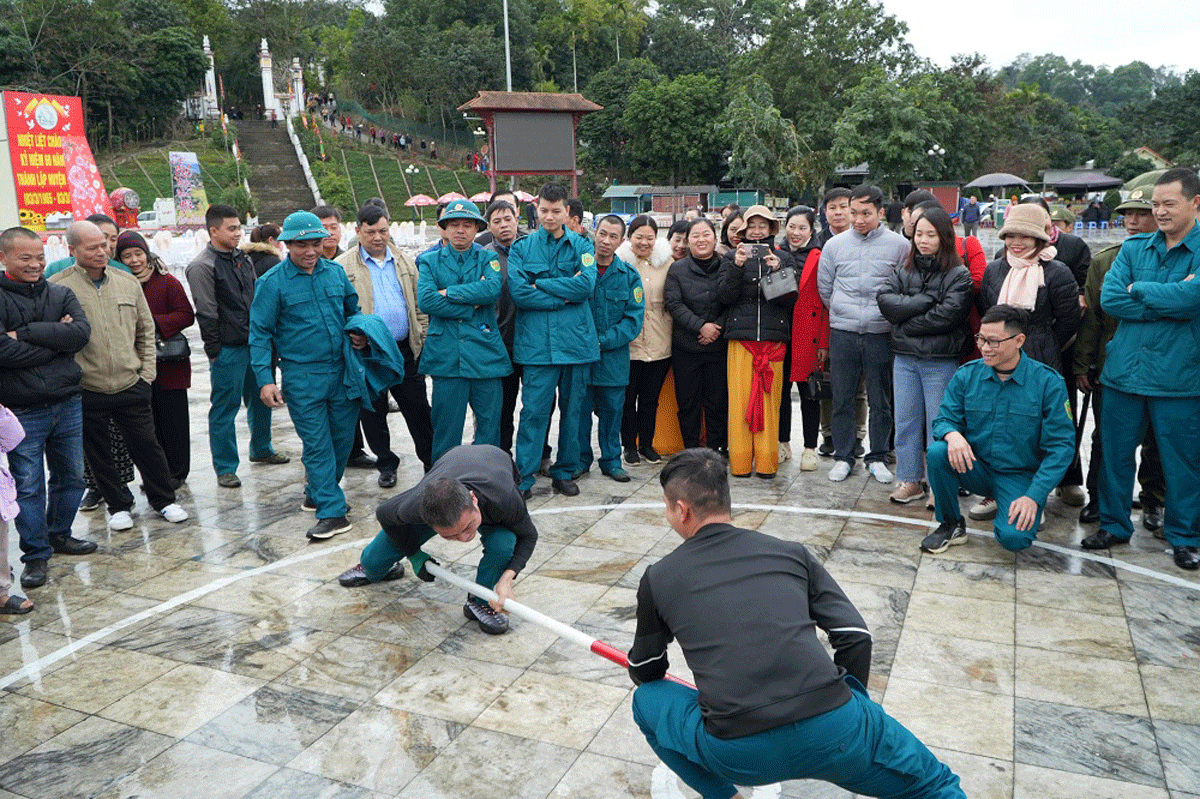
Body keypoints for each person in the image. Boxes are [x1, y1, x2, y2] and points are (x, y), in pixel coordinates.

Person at [628, 448, 967, 799]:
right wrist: (852, 711)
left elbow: (647, 670)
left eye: (667, 507)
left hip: (738, 750)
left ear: (682, 511)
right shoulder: (792, 553)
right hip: (836, 729)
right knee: (937, 786)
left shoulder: (660, 577)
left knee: (647, 702)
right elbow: (856, 636)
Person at [1081, 168, 1200, 570]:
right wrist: (1170, 301)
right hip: (1124, 373)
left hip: (1180, 377)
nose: (1159, 212)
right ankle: (1114, 524)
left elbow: (1193, 299)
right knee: (1114, 455)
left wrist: (1141, 290)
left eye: (1169, 204)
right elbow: (1112, 300)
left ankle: (1185, 535)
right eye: (1156, 205)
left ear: (1195, 203)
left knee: (1182, 462)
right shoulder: (1133, 250)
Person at [49, 221, 189, 532]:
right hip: (87, 385)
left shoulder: (127, 282)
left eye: (104, 245)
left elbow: (145, 331)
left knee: (147, 446)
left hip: (131, 382)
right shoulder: (58, 288)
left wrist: (146, 375)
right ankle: (118, 505)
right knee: (99, 452)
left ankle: (163, 500)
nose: (102, 252)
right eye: (92, 247)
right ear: (72, 250)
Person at [337, 444, 539, 635]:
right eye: (450, 535)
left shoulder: (504, 499)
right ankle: (379, 568)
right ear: (425, 520)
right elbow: (384, 514)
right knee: (373, 562)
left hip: (494, 466)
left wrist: (506, 579)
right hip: (450, 466)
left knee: (502, 545)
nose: (465, 538)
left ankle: (480, 599)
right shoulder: (417, 505)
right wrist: (415, 555)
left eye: (468, 527)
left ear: (474, 500)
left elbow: (529, 535)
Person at [919, 305, 1074, 554]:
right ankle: (950, 523)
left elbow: (1061, 447)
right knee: (938, 452)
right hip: (976, 466)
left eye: (993, 341)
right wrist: (953, 434)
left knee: (1014, 539)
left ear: (1019, 340)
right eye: (981, 339)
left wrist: (1033, 495)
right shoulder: (966, 375)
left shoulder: (1047, 383)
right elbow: (943, 419)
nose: (984, 348)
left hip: (1019, 474)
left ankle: (1017, 504)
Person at [250, 211, 365, 540]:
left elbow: (351, 310)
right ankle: (332, 511)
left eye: (316, 244)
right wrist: (266, 379)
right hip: (302, 375)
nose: (311, 251)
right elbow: (259, 334)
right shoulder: (272, 284)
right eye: (302, 246)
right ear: (286, 245)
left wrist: (359, 333)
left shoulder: (335, 274)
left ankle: (318, 493)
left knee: (342, 441)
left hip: (342, 372)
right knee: (317, 444)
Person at [0, 226, 92, 592]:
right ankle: (35, 554)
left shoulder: (61, 292)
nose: (36, 264)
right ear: (4, 258)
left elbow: (81, 334)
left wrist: (24, 333)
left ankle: (60, 534)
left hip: (68, 402)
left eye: (39, 257)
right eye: (25, 258)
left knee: (72, 476)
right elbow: (1, 353)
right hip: (23, 410)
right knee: (29, 485)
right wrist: (57, 340)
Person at [974, 203, 1080, 521]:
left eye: (1025, 236)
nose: (1016, 243)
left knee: (1039, 425)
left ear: (1040, 238)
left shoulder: (1056, 272)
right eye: (1011, 236)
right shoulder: (995, 269)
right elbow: (987, 310)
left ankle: (1035, 495)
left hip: (1041, 354)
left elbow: (1069, 319)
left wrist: (1043, 343)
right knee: (998, 421)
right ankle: (994, 489)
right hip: (1000, 354)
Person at [1073, 188, 1164, 528]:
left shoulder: (1176, 258)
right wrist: (1083, 365)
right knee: (1105, 437)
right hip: (1112, 364)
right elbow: (1093, 318)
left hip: (1161, 365)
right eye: (1127, 214)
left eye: (1142, 213)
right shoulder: (1105, 261)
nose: (1133, 221)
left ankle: (1154, 500)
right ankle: (1099, 499)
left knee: (1157, 437)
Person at [507, 182, 599, 498]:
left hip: (575, 345)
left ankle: (564, 470)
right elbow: (519, 293)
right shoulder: (521, 248)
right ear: (536, 209)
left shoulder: (583, 248)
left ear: (566, 212)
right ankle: (526, 477)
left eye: (556, 210)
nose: (549, 216)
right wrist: (563, 295)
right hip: (537, 348)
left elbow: (586, 287)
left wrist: (541, 286)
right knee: (533, 412)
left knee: (573, 412)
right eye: (544, 210)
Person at [876, 207, 972, 506]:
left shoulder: (959, 275)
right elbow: (885, 301)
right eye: (919, 233)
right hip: (904, 359)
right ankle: (909, 479)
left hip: (940, 360)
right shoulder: (904, 270)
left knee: (939, 425)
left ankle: (939, 484)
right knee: (905, 421)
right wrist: (925, 301)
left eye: (931, 234)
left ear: (945, 237)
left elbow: (947, 317)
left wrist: (905, 321)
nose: (924, 240)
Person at [186, 204, 287, 490]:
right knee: (225, 407)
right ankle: (226, 467)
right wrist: (215, 351)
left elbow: (256, 298)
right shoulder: (202, 266)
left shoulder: (242, 257)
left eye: (238, 228)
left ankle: (262, 448)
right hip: (228, 348)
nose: (237, 233)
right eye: (230, 229)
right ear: (213, 230)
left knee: (263, 397)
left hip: (255, 343)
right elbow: (206, 313)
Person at [336, 202, 434, 484]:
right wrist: (352, 333)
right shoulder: (342, 267)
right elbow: (339, 310)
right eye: (370, 232)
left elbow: (419, 307)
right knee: (373, 413)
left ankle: (430, 461)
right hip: (367, 354)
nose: (378, 237)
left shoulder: (404, 261)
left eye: (383, 231)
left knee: (418, 409)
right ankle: (386, 464)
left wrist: (422, 339)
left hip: (404, 350)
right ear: (358, 232)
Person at [817, 184, 909, 483]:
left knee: (881, 399)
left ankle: (878, 455)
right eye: (853, 212)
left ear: (881, 212)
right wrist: (844, 312)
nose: (858, 219)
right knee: (842, 396)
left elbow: (903, 288)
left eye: (865, 213)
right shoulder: (835, 245)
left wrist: (880, 316)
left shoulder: (899, 246)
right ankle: (844, 456)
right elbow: (826, 288)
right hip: (843, 331)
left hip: (881, 332)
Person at [46, 213, 134, 511]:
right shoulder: (57, 276)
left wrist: (142, 369)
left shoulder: (121, 272)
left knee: (121, 437)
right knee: (89, 441)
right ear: (75, 246)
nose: (105, 248)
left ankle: (122, 488)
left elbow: (139, 324)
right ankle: (96, 488)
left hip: (122, 373)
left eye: (110, 240)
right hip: (83, 376)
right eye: (97, 242)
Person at [416, 200, 511, 463]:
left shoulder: (488, 257)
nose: (461, 230)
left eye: (467, 225)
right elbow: (427, 301)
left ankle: (485, 482)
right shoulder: (429, 261)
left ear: (477, 228)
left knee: (489, 429)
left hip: (485, 354)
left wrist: (450, 293)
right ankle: (443, 486)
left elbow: (492, 290)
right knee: (446, 431)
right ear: (443, 229)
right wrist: (472, 305)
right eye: (454, 224)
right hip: (446, 356)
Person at [717, 205, 795, 478]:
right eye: (753, 225)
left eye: (763, 225)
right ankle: (739, 462)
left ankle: (766, 462)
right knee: (739, 403)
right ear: (744, 230)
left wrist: (778, 270)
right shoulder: (730, 258)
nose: (758, 230)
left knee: (769, 403)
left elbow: (788, 301)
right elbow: (725, 297)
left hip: (774, 341)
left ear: (772, 229)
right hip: (741, 339)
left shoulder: (784, 257)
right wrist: (738, 267)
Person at [117, 232, 194, 487]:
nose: (134, 260)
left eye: (138, 254)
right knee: (147, 427)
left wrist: (149, 324)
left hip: (170, 365)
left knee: (174, 422)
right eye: (126, 256)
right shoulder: (119, 284)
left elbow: (185, 314)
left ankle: (177, 472)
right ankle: (156, 474)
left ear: (147, 254)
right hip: (135, 364)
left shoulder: (167, 281)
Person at [578, 215, 643, 482]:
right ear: (594, 231)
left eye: (613, 236)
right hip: (580, 357)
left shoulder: (628, 276)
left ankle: (611, 460)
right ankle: (580, 459)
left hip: (613, 360)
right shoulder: (579, 269)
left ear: (622, 241)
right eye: (602, 233)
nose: (605, 241)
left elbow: (633, 320)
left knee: (612, 413)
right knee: (578, 414)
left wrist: (603, 340)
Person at [665, 218, 728, 455]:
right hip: (687, 347)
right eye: (695, 236)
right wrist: (701, 327)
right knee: (688, 403)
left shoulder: (726, 265)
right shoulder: (677, 269)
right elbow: (674, 303)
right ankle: (690, 450)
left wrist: (715, 328)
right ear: (688, 241)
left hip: (718, 347)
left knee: (717, 402)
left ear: (715, 238)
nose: (701, 240)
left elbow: (733, 300)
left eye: (706, 234)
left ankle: (716, 450)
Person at [618, 215, 673, 465]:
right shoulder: (620, 264)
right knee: (628, 399)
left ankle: (647, 444)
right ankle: (629, 445)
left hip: (660, 340)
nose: (644, 242)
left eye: (649, 237)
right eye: (639, 237)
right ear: (630, 238)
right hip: (629, 343)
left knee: (650, 399)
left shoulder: (667, 263)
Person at [782, 206, 823, 471]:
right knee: (781, 392)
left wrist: (824, 342)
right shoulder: (774, 254)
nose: (795, 233)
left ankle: (810, 448)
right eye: (791, 227)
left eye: (802, 228)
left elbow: (827, 301)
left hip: (809, 332)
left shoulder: (821, 256)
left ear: (811, 230)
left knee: (810, 393)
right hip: (781, 331)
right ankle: (782, 443)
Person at [482, 200, 522, 453]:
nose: (504, 225)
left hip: (532, 342)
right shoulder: (483, 256)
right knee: (503, 408)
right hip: (500, 344)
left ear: (517, 219)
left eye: (508, 219)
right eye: (497, 221)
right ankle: (502, 457)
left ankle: (540, 455)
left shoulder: (530, 249)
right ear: (489, 226)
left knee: (539, 406)